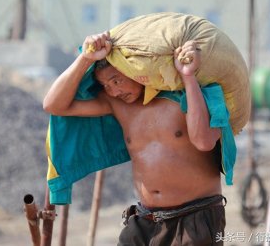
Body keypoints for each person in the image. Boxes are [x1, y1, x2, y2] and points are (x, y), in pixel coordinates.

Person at [43, 31, 226, 245]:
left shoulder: (188, 94)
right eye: (106, 86)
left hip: (195, 218)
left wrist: (188, 77)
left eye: (116, 80)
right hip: (145, 219)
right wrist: (85, 58)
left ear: (136, 70)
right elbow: (53, 105)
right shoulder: (117, 104)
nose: (113, 91)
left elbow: (204, 141)